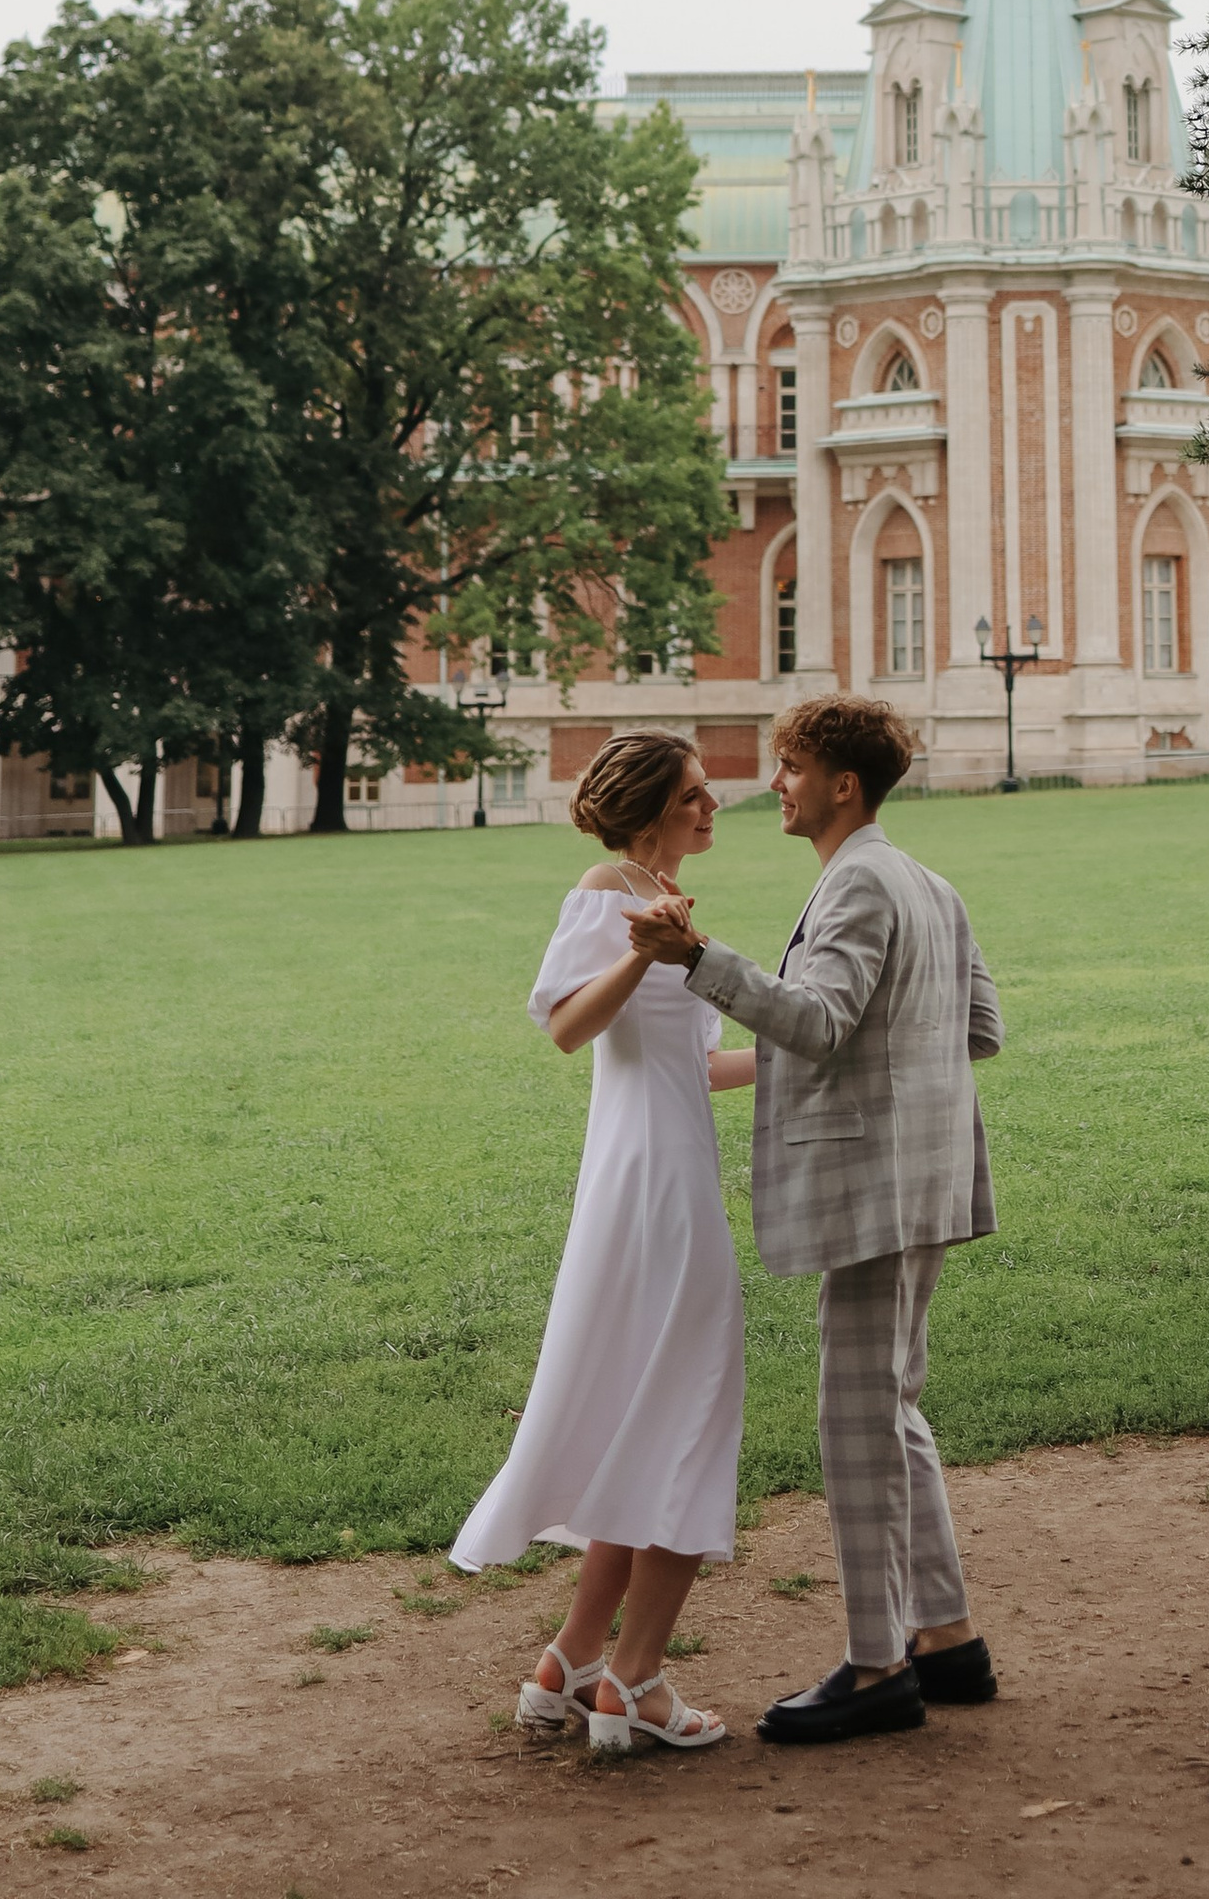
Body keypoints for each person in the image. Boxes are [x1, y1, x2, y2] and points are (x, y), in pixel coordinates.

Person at [631, 693, 1003, 1747]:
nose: (775, 784)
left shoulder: (857, 886)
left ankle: (877, 1664)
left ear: (843, 784)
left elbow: (823, 1022)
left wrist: (696, 959)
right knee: (892, 1408)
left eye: (791, 767)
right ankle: (948, 1639)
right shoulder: (928, 881)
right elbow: (978, 1026)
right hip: (924, 1180)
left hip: (876, 1192)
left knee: (854, 1423)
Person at [450, 728, 756, 1758]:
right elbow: (567, 1028)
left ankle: (571, 1665)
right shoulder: (610, 887)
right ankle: (640, 1682)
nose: (712, 805)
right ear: (645, 810)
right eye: (693, 794)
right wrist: (641, 944)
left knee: (648, 1411)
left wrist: (808, 1056)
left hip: (667, 1166)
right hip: (649, 1182)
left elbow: (696, 1064)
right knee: (690, 1415)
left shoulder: (660, 892)